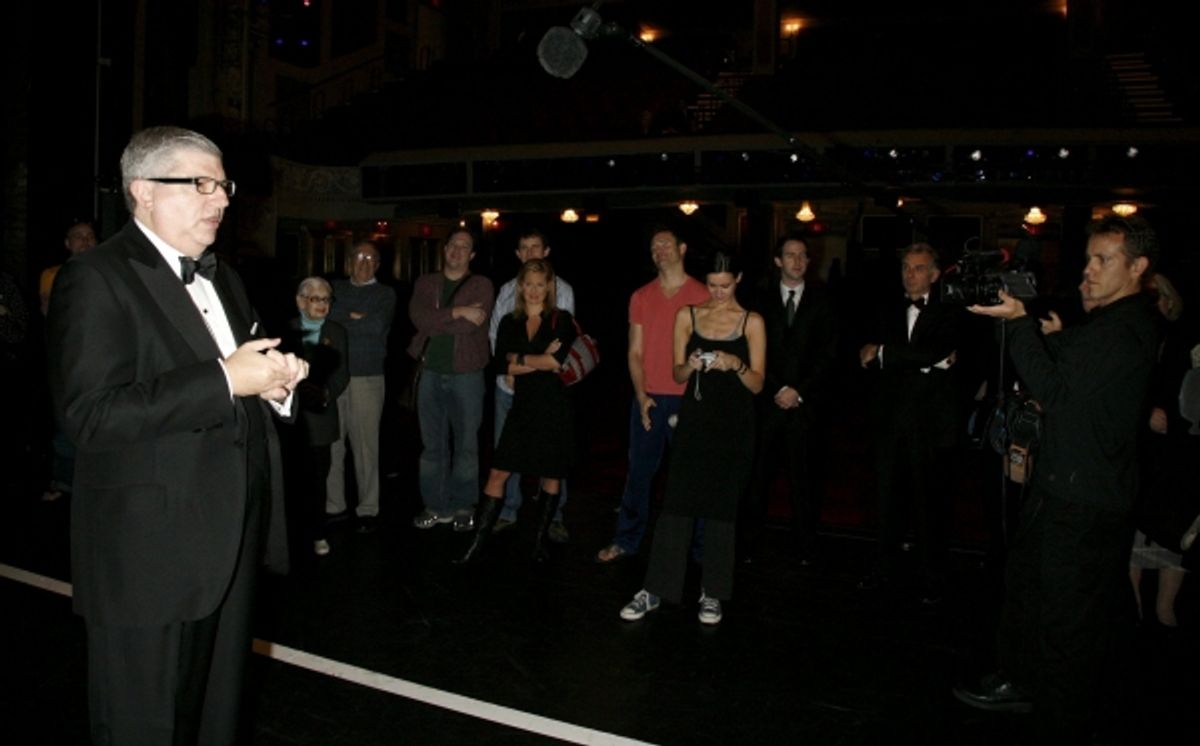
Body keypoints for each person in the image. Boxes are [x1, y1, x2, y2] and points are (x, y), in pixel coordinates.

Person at [46, 126, 308, 745]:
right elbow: (88, 416)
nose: (220, 199)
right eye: (200, 184)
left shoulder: (225, 279)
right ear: (143, 191)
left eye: (223, 185)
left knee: (213, 722)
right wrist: (224, 378)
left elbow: (234, 385)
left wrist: (272, 383)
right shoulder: (95, 276)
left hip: (227, 542)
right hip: (147, 558)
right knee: (144, 727)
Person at [953, 216, 1160, 744]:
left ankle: (1059, 716)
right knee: (1030, 590)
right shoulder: (1108, 326)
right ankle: (1021, 682)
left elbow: (1055, 392)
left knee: (1068, 618)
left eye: (1103, 261)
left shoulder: (1127, 329)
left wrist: (1020, 322)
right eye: (1088, 259)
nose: (1088, 272)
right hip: (1064, 484)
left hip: (1086, 498)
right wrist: (1044, 332)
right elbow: (1072, 365)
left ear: (1137, 268)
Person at [619, 251, 765, 624]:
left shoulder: (752, 321)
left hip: (734, 424)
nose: (717, 293)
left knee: (720, 509)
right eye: (713, 286)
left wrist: (737, 365)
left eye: (725, 286)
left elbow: (758, 385)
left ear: (739, 281)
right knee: (677, 504)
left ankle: (712, 593)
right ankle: (654, 589)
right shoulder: (689, 315)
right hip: (696, 419)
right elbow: (678, 373)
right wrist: (693, 362)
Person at [595, 227, 711, 563]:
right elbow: (634, 352)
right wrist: (642, 396)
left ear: (682, 248)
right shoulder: (641, 296)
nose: (659, 250)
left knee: (692, 476)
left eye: (665, 244)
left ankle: (701, 548)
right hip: (650, 399)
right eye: (653, 246)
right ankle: (626, 540)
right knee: (639, 474)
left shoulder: (702, 294)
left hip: (689, 400)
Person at [857, 242, 962, 604]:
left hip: (929, 424)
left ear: (934, 274)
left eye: (918, 268)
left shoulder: (949, 309)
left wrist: (888, 355)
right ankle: (881, 568)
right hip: (889, 420)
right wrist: (922, 361)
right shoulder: (886, 306)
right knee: (885, 500)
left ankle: (931, 577)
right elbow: (865, 354)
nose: (909, 274)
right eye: (905, 267)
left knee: (928, 503)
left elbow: (934, 351)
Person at [459, 258, 578, 563]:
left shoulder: (560, 319)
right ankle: (475, 546)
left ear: (549, 286)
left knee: (551, 474)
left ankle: (539, 542)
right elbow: (501, 363)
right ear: (521, 286)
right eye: (529, 284)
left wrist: (519, 359)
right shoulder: (509, 322)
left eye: (541, 284)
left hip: (553, 407)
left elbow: (556, 363)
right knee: (498, 471)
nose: (535, 290)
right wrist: (537, 358)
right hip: (522, 406)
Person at [742, 233, 838, 565]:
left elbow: (829, 353)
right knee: (758, 477)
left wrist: (799, 390)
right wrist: (777, 388)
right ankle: (750, 543)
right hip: (767, 403)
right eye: (790, 255)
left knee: (805, 479)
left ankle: (805, 547)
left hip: (806, 406)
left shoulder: (824, 299)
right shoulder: (759, 299)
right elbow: (751, 351)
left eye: (802, 255)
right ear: (778, 260)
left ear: (809, 262)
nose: (797, 261)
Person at [488, 229, 575, 540]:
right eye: (524, 248)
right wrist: (509, 368)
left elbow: (558, 351)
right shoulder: (507, 289)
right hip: (507, 386)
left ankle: (554, 517)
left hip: (545, 391)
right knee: (506, 454)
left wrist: (518, 361)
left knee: (551, 456)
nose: (530, 253)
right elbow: (497, 338)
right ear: (518, 254)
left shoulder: (561, 290)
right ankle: (509, 510)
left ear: (546, 250)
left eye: (535, 247)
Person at [408, 229, 494, 531]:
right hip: (430, 372)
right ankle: (435, 505)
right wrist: (457, 311)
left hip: (467, 374)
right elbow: (419, 318)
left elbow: (471, 327)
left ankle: (463, 506)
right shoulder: (425, 282)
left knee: (467, 445)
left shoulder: (482, 285)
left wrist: (438, 320)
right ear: (445, 250)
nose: (457, 251)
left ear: (472, 255)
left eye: (464, 247)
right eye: (453, 245)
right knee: (432, 445)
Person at [326, 241, 396, 534]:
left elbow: (375, 327)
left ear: (378, 265)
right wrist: (353, 319)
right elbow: (321, 318)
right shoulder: (334, 289)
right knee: (333, 444)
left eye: (371, 258)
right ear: (349, 261)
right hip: (333, 376)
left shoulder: (385, 294)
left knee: (366, 446)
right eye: (359, 256)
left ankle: (368, 508)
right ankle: (334, 505)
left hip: (367, 377)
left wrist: (344, 319)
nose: (364, 262)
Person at [282, 277, 349, 557]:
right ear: (300, 301)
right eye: (315, 299)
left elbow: (342, 374)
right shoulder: (285, 329)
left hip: (321, 417)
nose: (322, 304)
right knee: (290, 479)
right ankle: (288, 535)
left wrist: (324, 394)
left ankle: (317, 533)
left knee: (318, 480)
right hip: (289, 417)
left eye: (326, 299)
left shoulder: (337, 332)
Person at [38, 218, 97, 502]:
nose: (85, 241)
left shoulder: (109, 273)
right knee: (67, 421)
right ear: (67, 243)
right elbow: (53, 314)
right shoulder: (54, 274)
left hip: (100, 357)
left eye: (90, 236)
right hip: (67, 359)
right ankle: (63, 480)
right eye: (78, 236)